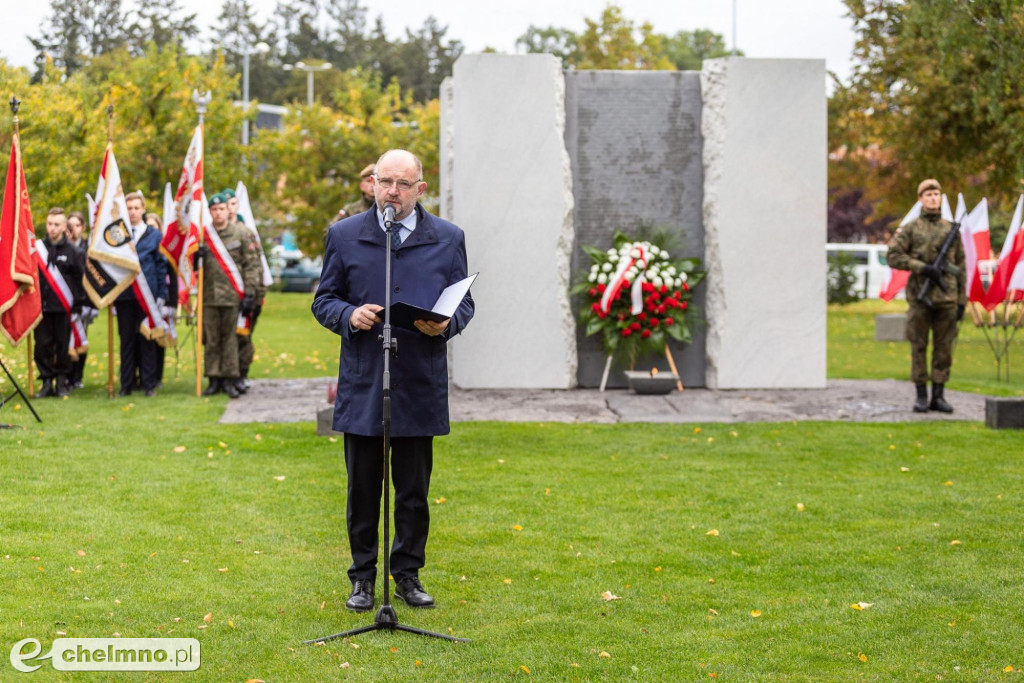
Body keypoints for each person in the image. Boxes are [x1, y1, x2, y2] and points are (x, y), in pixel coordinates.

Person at [312, 149, 474, 613]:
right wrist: (348, 313)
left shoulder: (448, 237)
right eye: (385, 182)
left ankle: (407, 573)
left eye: (403, 184)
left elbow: (463, 302)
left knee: (413, 491)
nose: (392, 192)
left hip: (419, 381)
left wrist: (448, 324)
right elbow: (324, 300)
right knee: (362, 488)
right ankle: (363, 578)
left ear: (420, 189)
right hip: (365, 381)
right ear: (373, 183)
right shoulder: (344, 236)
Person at [886, 179, 966, 413]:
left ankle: (938, 396)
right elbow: (893, 255)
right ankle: (921, 395)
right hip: (920, 298)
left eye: (936, 194)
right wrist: (921, 267)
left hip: (947, 298)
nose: (933, 198)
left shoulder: (950, 228)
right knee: (918, 346)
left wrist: (962, 300)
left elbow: (961, 266)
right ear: (920, 199)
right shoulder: (911, 228)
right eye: (928, 194)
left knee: (944, 348)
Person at [197, 193, 259, 398]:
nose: (218, 213)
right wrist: (195, 258)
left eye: (221, 209)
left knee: (231, 339)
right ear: (210, 212)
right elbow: (193, 269)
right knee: (211, 339)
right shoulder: (202, 236)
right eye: (214, 209)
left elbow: (250, 265)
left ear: (228, 210)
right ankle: (214, 379)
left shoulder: (240, 233)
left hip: (234, 295)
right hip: (209, 296)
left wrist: (250, 293)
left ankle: (231, 379)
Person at [115, 192, 167, 397]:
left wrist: (162, 294)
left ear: (143, 209)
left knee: (147, 340)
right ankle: (126, 384)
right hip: (125, 296)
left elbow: (161, 266)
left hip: (148, 298)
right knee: (126, 341)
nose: (133, 212)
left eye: (137, 208)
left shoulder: (154, 235)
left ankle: (149, 385)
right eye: (129, 208)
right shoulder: (118, 234)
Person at [34, 208, 85, 398]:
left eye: (56, 224)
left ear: (64, 227)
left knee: (63, 346)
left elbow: (80, 282)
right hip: (42, 308)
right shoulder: (37, 249)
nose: (52, 228)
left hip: (65, 309)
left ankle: (62, 383)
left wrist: (78, 306)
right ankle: (46, 382)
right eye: (49, 224)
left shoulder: (75, 252)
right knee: (42, 346)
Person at [222, 187, 266, 395]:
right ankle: (226, 376)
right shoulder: (215, 232)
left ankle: (241, 374)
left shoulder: (246, 231)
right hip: (225, 295)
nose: (229, 209)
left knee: (243, 336)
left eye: (232, 204)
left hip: (248, 293)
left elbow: (255, 265)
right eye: (225, 204)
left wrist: (256, 295)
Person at [145, 212, 178, 387]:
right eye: (148, 226)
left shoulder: (165, 249)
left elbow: (172, 278)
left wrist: (171, 303)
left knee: (160, 339)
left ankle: (157, 375)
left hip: (162, 300)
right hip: (145, 296)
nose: (151, 229)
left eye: (154, 226)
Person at [66, 210, 93, 390]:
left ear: (82, 227)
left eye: (76, 225)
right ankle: (67, 376)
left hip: (84, 301)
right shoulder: (63, 247)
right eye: (70, 226)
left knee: (81, 337)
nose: (73, 229)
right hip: (65, 298)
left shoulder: (88, 247)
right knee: (65, 339)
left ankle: (78, 376)